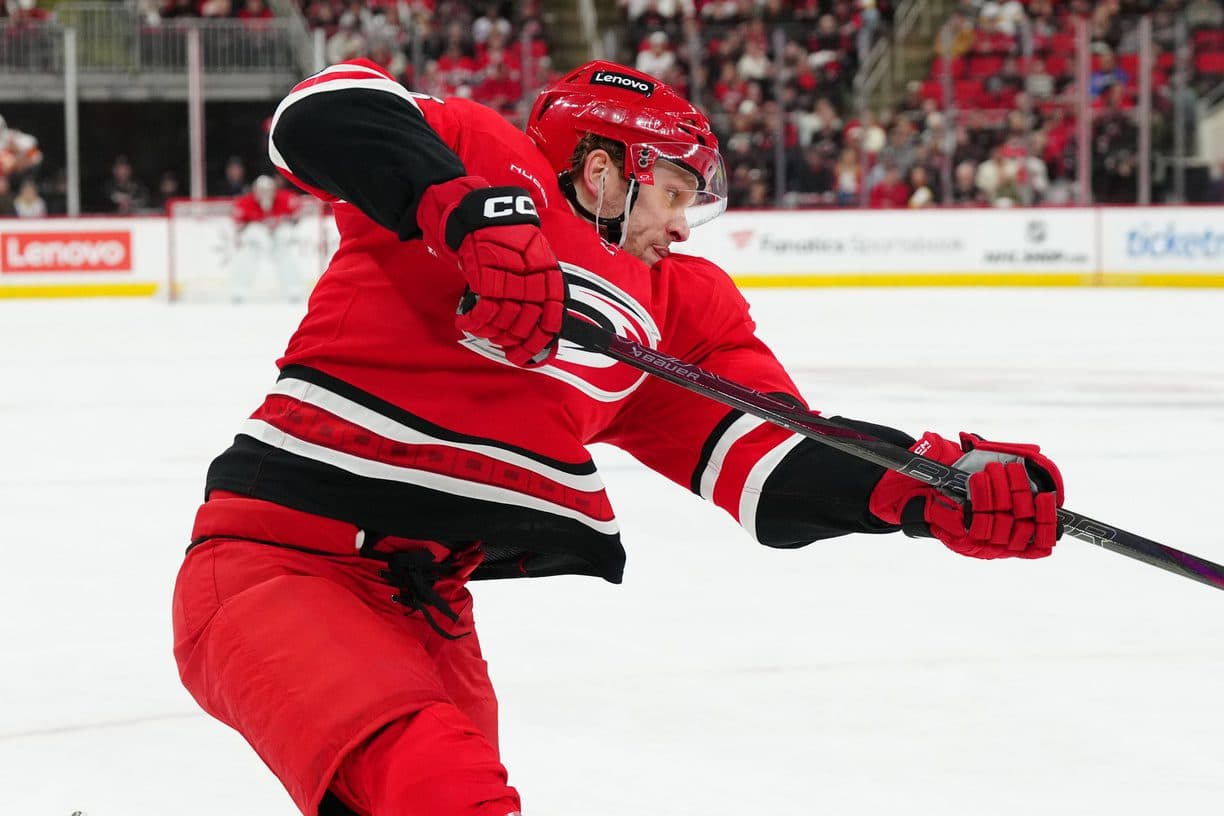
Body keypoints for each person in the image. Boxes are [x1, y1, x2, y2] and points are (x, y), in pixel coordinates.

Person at [171, 59, 1065, 816]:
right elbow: (320, 109)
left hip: (427, 610)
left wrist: (935, 485)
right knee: (449, 792)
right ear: (602, 168)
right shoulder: (489, 160)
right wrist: (465, 214)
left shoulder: (677, 310)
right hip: (278, 564)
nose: (683, 225)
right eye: (675, 192)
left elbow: (777, 463)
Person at [230, 174, 306, 302]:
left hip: (278, 236)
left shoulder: (286, 199)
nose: (265, 194)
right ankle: (239, 290)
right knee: (247, 258)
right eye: (261, 190)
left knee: (285, 257)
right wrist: (255, 230)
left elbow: (296, 219)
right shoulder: (245, 203)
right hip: (257, 239)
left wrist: (283, 226)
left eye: (268, 190)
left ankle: (294, 289)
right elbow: (239, 227)